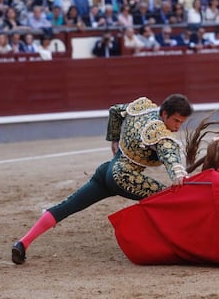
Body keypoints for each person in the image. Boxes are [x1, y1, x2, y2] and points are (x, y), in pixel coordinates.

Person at [11, 94, 194, 265]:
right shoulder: (161, 134)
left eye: (181, 122)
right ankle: (176, 244)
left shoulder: (143, 108)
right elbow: (170, 156)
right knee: (168, 198)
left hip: (106, 170)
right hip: (124, 176)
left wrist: (114, 139)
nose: (177, 126)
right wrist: (179, 174)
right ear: (164, 114)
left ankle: (23, 243)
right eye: (175, 120)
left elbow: (115, 110)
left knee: (67, 206)